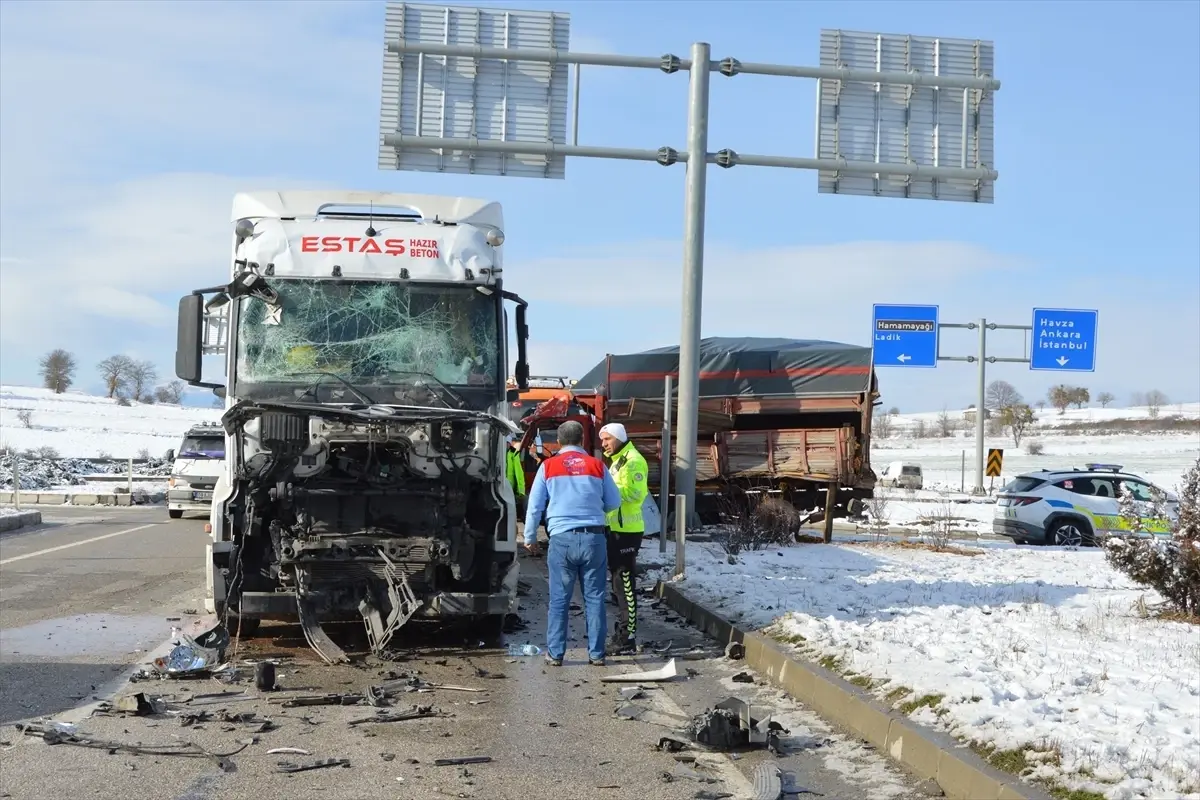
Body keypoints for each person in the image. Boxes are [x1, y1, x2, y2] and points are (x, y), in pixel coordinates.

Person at [523, 420, 621, 667]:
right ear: (582, 440)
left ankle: (556, 654)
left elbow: (534, 506)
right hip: (593, 538)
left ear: (558, 440)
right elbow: (614, 502)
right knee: (595, 598)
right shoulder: (597, 466)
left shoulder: (548, 466)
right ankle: (597, 654)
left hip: (561, 540)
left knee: (559, 599)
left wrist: (530, 537)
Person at [598, 422, 649, 654]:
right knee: (618, 584)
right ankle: (623, 632)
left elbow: (636, 493)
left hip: (627, 532)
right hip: (616, 530)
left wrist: (606, 492)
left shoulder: (633, 460)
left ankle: (627, 637)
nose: (604, 444)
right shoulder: (619, 459)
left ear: (618, 437)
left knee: (625, 584)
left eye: (607, 439)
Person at [505, 435, 527, 517]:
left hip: (510, 488)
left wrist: (521, 490)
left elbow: (519, 473)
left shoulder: (513, 453)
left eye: (507, 443)